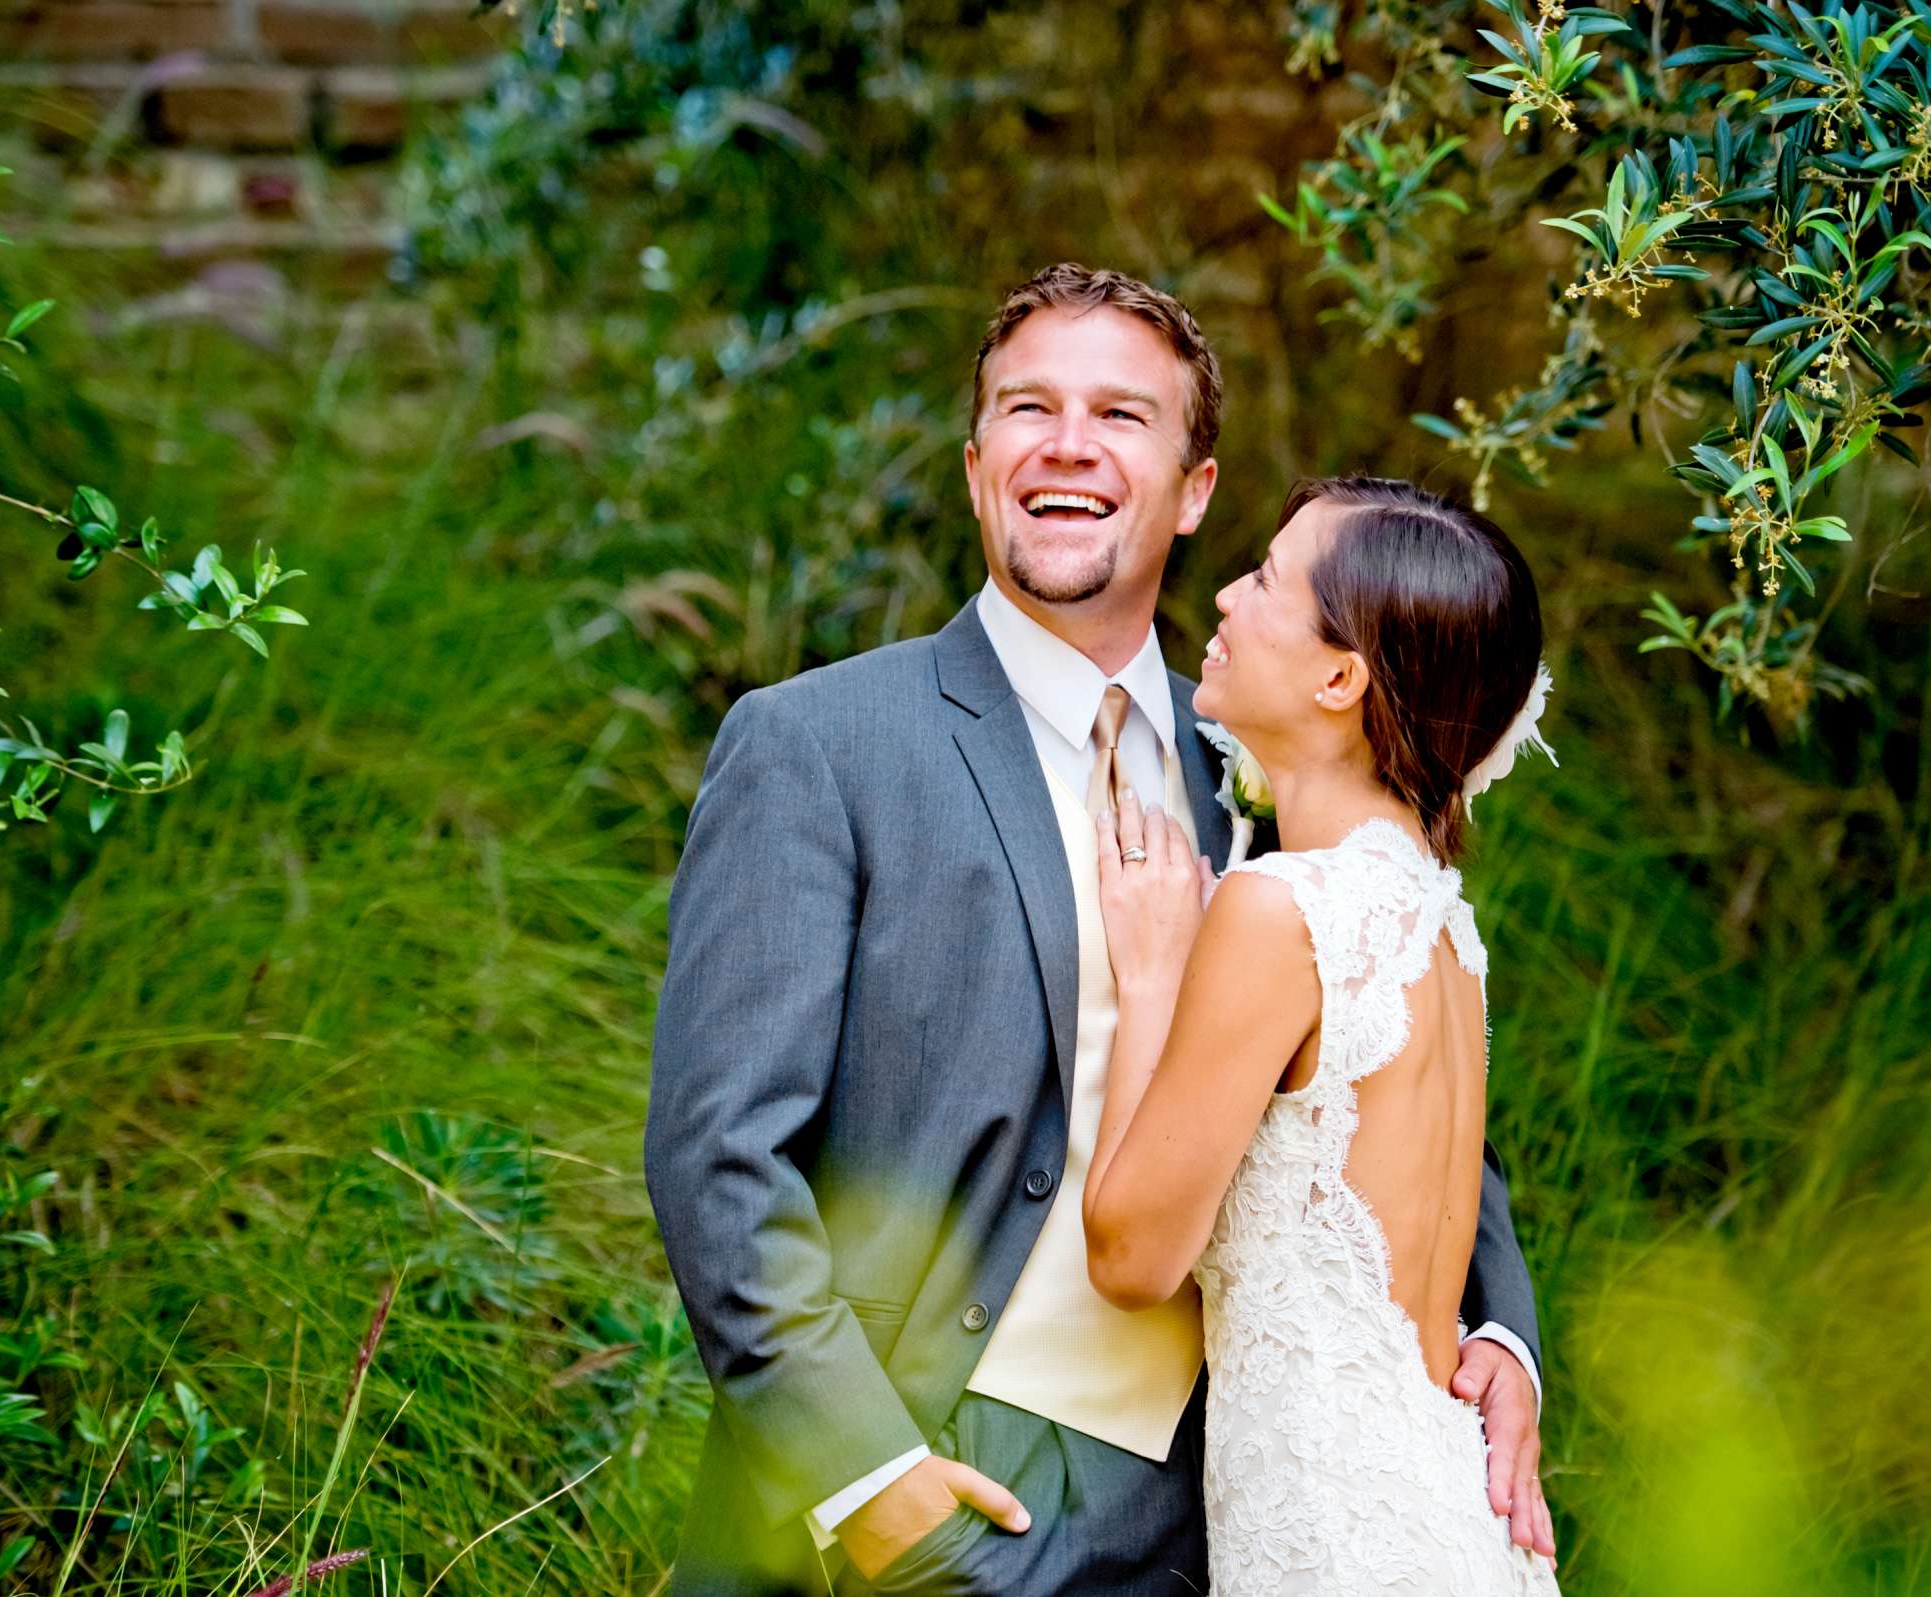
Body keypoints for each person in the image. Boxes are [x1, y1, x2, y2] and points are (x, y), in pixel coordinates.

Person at [646, 265, 1550, 1596]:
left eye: (1121, 415)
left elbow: (1397, 1086)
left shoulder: (1275, 762)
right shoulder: (817, 748)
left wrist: (1504, 1342)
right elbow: (720, 1149)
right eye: (1029, 408)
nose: (1067, 443)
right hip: (925, 1483)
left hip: (1212, 1519)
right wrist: (871, 1480)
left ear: (1192, 490)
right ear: (974, 468)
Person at [1082, 474, 1562, 1593]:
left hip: (1340, 1540)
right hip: (1444, 1519)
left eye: (1265, 579)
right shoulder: (1441, 924)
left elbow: (1133, 1256)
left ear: (1341, 677)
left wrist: (1155, 970)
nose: (1231, 600)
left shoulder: (1282, 910)